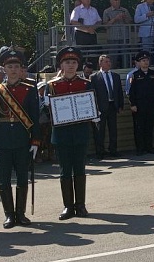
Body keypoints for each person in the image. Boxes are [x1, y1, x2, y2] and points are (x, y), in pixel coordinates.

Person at [0, 49, 41, 229]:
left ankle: (20, 213)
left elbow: (34, 117)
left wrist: (35, 141)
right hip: (2, 140)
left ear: (21, 69)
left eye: (17, 66)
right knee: (4, 180)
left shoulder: (30, 89)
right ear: (4, 69)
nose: (14, 69)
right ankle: (9, 214)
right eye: (10, 66)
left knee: (23, 178)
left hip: (22, 139)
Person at [46, 47, 93, 220]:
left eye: (74, 62)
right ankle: (68, 206)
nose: (71, 65)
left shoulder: (86, 83)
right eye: (67, 62)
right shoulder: (52, 85)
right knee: (65, 170)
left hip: (80, 132)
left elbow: (91, 104)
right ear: (61, 65)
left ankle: (80, 205)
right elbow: (47, 109)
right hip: (62, 134)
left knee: (80, 169)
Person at [128, 50, 154, 155]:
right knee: (139, 128)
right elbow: (131, 92)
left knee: (149, 127)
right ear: (139, 62)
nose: (145, 62)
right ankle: (140, 148)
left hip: (151, 105)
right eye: (143, 60)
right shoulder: (135, 75)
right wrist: (132, 104)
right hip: (139, 106)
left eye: (147, 60)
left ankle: (149, 147)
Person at [90, 55, 124, 159]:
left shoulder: (115, 76)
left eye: (109, 61)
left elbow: (119, 92)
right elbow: (92, 94)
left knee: (113, 129)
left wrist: (120, 105)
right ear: (100, 63)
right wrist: (94, 108)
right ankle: (100, 152)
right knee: (100, 131)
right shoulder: (94, 77)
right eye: (106, 62)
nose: (109, 63)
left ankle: (113, 150)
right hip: (100, 107)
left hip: (112, 105)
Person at [102, 0, 132, 69]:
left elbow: (130, 23)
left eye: (118, 0)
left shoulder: (124, 10)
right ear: (111, 1)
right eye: (115, 0)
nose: (117, 2)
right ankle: (112, 72)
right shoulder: (107, 11)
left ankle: (126, 70)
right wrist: (115, 19)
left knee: (125, 57)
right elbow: (105, 26)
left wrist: (125, 18)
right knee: (113, 58)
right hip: (112, 38)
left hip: (124, 37)